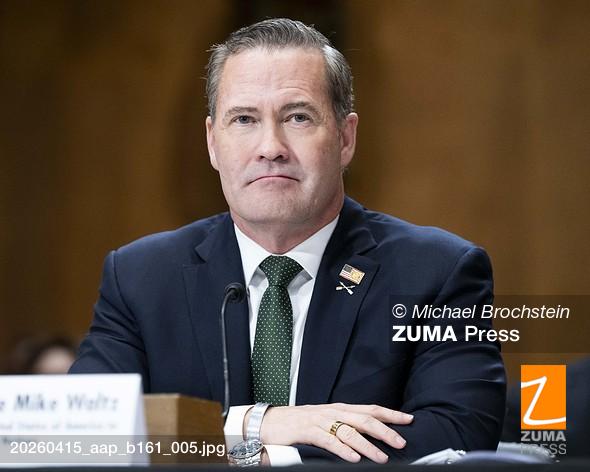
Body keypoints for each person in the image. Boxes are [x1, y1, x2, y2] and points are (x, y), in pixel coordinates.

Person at [70, 18, 506, 465]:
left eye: (297, 117)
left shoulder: (435, 273)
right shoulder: (140, 277)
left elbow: (460, 432)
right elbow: (76, 435)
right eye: (244, 119)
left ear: (345, 138)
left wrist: (269, 458)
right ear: (213, 143)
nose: (270, 147)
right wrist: (254, 423)